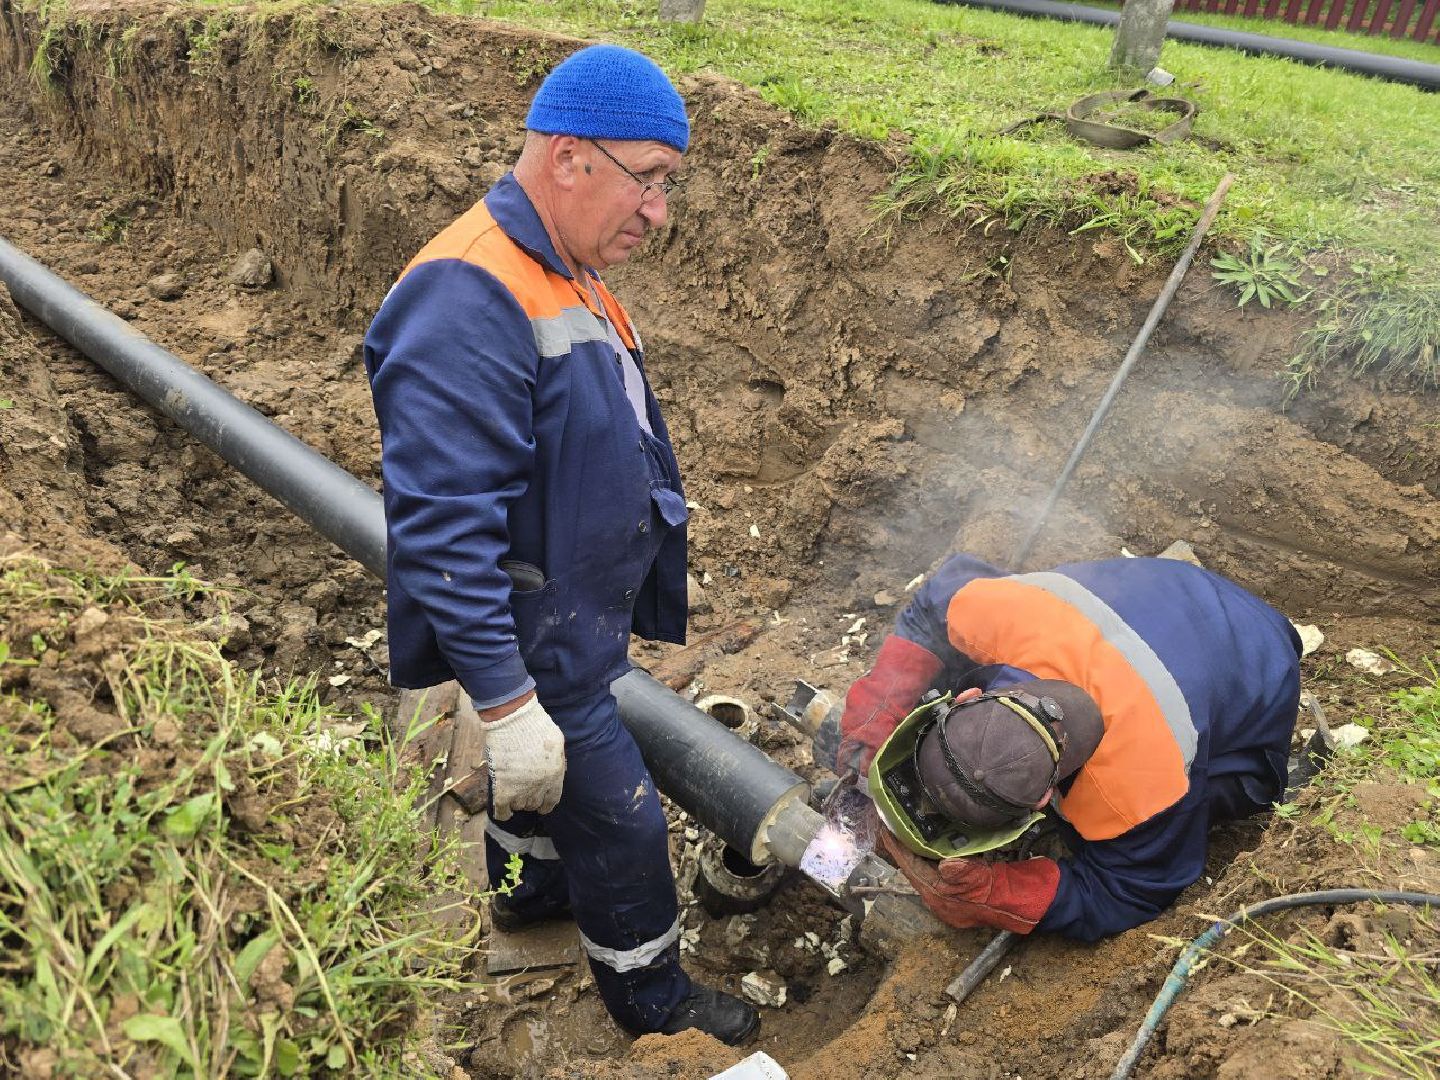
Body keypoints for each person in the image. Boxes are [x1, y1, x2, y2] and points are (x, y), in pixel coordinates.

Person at [363, 44, 758, 1044]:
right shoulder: (469, 294)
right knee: (620, 816)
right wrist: (504, 701)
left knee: (536, 792)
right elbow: (443, 527)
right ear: (573, 159)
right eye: (650, 180)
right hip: (535, 634)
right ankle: (655, 1004)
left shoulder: (562, 265)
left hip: (568, 617)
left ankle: (527, 891)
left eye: (669, 185)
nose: (659, 212)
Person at [838, 553, 1302, 941]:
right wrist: (879, 711)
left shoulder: (1144, 784)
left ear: (1045, 800)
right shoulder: (996, 614)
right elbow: (933, 605)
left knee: (1211, 805)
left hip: (1261, 654)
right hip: (1173, 593)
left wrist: (996, 894)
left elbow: (1134, 890)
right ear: (969, 698)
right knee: (943, 657)